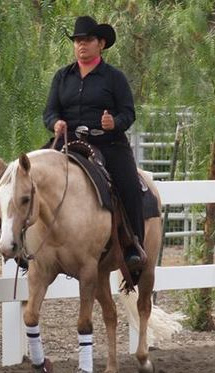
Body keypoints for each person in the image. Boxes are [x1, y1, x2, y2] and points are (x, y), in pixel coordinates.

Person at [43, 16, 145, 271]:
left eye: (87, 40)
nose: (81, 45)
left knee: (130, 186)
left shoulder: (114, 78)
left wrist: (115, 123)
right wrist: (55, 123)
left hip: (108, 143)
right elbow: (49, 112)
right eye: (77, 41)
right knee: (32, 178)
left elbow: (128, 113)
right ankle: (29, 246)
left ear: (100, 43)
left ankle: (133, 247)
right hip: (68, 140)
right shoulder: (62, 77)